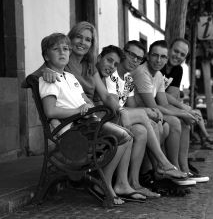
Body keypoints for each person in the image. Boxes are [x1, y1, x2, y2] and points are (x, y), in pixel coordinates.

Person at [30, 22, 147, 203]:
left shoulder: (73, 74)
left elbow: (86, 99)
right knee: (125, 135)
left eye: (88, 40)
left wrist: (94, 105)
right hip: (76, 128)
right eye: (79, 37)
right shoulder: (50, 76)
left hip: (86, 121)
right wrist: (46, 72)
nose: (63, 52)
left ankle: (116, 183)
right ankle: (105, 186)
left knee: (129, 133)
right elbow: (50, 108)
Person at [96, 43, 187, 197]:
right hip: (108, 118)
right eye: (132, 55)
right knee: (145, 118)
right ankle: (162, 164)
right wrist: (145, 111)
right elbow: (113, 106)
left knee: (142, 129)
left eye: (139, 58)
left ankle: (132, 182)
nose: (135, 61)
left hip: (121, 118)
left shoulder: (128, 79)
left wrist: (147, 111)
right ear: (124, 54)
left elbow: (130, 106)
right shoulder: (111, 74)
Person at [132, 40, 209, 184]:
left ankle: (179, 167)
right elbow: (154, 105)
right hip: (139, 112)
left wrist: (186, 112)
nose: (159, 60)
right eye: (155, 55)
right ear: (148, 56)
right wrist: (183, 112)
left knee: (181, 122)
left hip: (150, 112)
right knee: (173, 121)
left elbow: (165, 102)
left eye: (163, 57)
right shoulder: (143, 73)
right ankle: (169, 169)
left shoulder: (159, 75)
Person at [160, 38, 213, 150]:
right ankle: (175, 164)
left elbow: (171, 95)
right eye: (176, 51)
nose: (178, 56)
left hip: (164, 104)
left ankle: (183, 166)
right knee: (179, 121)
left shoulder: (178, 69)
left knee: (187, 122)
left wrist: (184, 110)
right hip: (155, 105)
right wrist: (182, 109)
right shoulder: (159, 64)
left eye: (182, 54)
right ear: (169, 49)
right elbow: (159, 94)